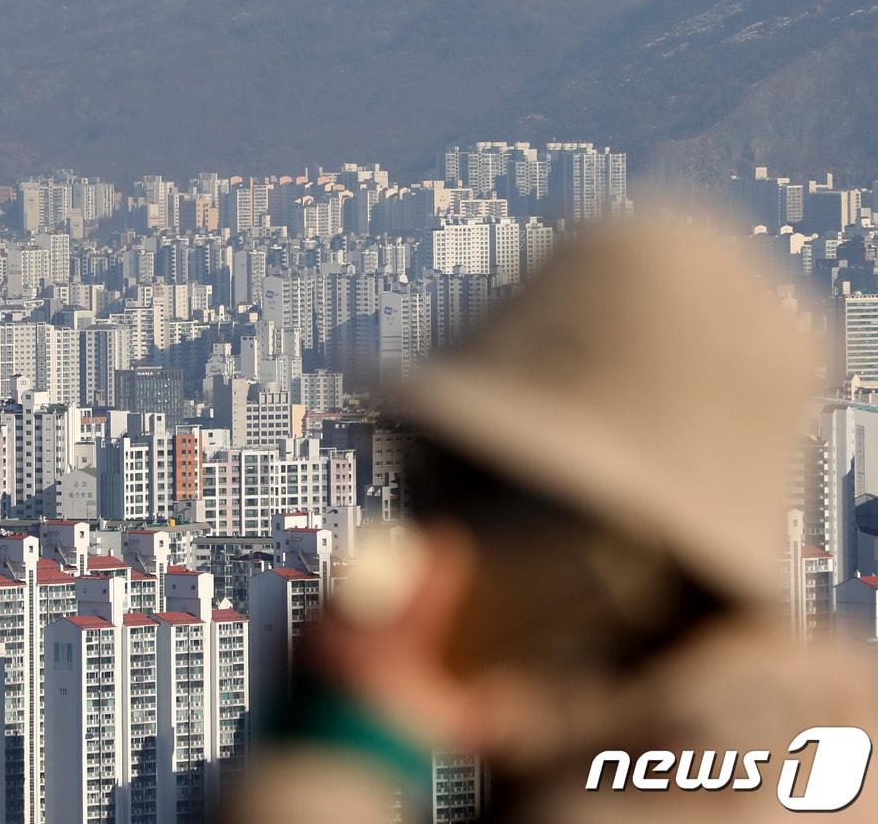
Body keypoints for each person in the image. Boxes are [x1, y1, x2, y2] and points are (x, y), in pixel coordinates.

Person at [224, 219, 878, 823]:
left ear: (615, 547)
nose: (434, 537)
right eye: (426, 481)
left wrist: (337, 753)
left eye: (478, 491)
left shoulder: (726, 779)